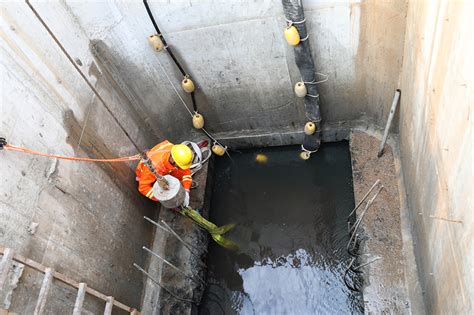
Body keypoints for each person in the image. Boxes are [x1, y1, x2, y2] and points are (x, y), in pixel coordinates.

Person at [136, 140, 193, 207]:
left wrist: (186, 190)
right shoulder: (153, 168)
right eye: (178, 165)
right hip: (146, 174)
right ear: (173, 160)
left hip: (164, 168)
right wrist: (164, 199)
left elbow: (186, 171)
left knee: (179, 172)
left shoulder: (175, 152)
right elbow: (143, 188)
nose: (180, 167)